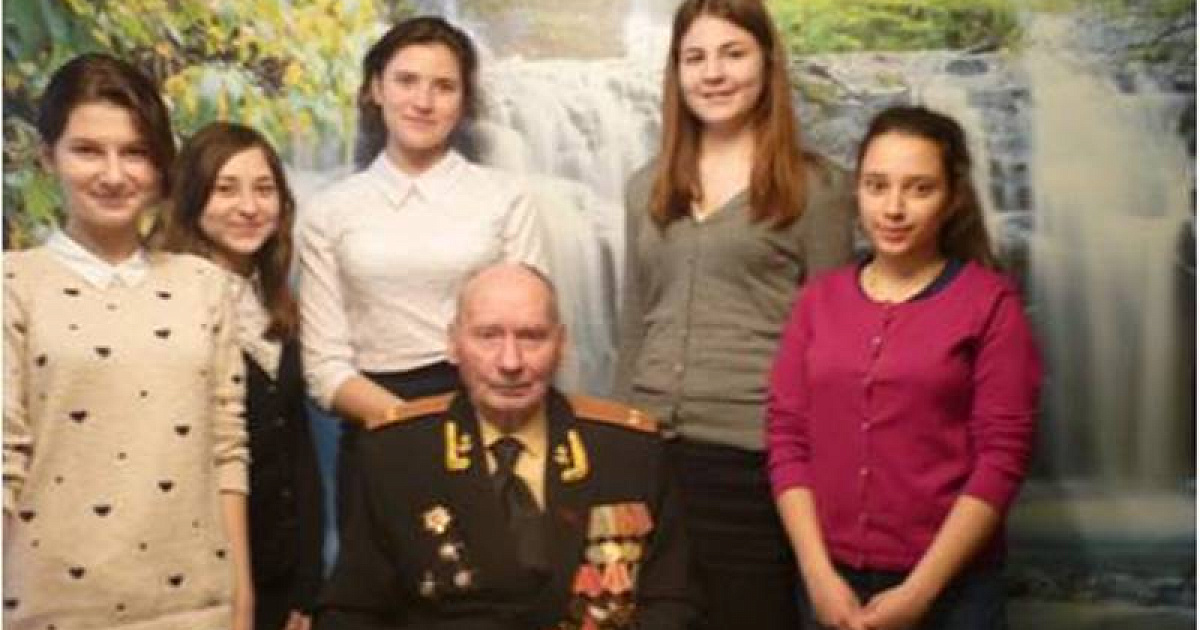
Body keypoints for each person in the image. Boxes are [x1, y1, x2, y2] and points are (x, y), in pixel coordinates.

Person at [613, 0, 854, 627]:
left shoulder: (818, 188)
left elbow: (835, 344)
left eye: (733, 54)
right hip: (649, 453)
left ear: (767, 62)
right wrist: (618, 440)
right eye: (695, 58)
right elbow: (634, 323)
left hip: (754, 456)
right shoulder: (645, 187)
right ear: (676, 72)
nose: (713, 73)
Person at [766, 105, 1042, 630]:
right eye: (877, 186)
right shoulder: (818, 302)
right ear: (858, 191)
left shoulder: (990, 305)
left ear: (952, 198)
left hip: (952, 590)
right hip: (831, 584)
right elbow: (787, 439)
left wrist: (920, 592)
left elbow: (1002, 459)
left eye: (919, 189)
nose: (893, 208)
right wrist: (817, 576)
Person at [3, 53, 252, 629]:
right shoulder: (14, 284)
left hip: (194, 607)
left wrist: (240, 601)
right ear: (48, 157)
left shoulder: (206, 287)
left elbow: (227, 453)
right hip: (47, 609)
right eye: (88, 150)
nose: (113, 175)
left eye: (135, 152)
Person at [316, 263, 693, 630]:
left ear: (561, 344)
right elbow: (350, 611)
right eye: (488, 336)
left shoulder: (627, 451)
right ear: (453, 344)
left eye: (531, 337)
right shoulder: (398, 454)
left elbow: (672, 603)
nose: (510, 362)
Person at [297, 15, 548, 527]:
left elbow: (530, 332)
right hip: (375, 428)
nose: (423, 101)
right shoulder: (330, 210)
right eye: (406, 81)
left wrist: (471, 430)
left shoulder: (505, 197)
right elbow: (323, 367)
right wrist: (413, 430)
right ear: (376, 89)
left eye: (444, 86)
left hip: (490, 424)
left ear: (464, 100)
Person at [158, 121, 326, 630]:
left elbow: (297, 448)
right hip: (199, 579)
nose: (250, 207)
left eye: (264, 189)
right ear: (192, 198)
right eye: (226, 189)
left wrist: (307, 583)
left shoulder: (275, 302)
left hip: (281, 569)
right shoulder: (167, 305)